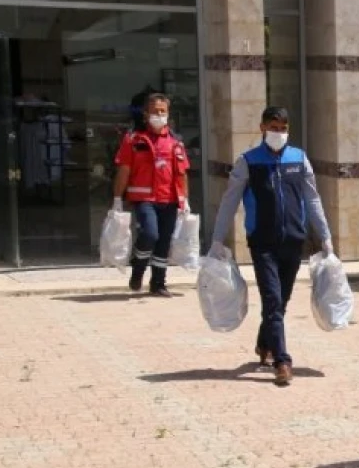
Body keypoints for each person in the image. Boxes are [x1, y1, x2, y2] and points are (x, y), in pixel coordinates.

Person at [208, 106, 334, 387]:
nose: (278, 132)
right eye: (273, 127)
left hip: (293, 240)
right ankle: (282, 361)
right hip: (262, 242)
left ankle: (264, 343)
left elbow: (312, 200)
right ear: (262, 127)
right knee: (272, 300)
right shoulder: (248, 162)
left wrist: (325, 236)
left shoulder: (299, 159)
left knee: (282, 301)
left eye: (283, 128)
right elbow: (230, 201)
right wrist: (217, 239)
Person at [112, 92, 190, 297]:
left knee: (163, 242)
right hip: (144, 200)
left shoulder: (175, 142)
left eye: (163, 111)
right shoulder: (133, 139)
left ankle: (158, 283)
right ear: (146, 114)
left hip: (169, 199)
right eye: (155, 111)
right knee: (150, 234)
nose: (159, 115)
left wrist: (185, 199)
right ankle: (138, 268)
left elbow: (181, 173)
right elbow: (124, 170)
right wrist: (117, 199)